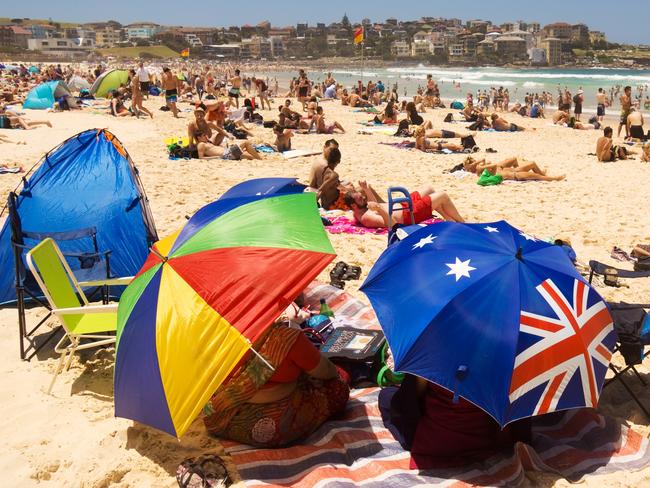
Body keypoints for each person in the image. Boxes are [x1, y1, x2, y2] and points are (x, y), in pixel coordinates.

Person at [203, 313, 349, 447]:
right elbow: (326, 371)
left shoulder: (213, 338)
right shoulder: (285, 337)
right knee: (337, 388)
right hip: (271, 429)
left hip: (221, 418)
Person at [381, 374, 530, 469]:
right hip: (484, 438)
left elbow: (413, 397)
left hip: (437, 443)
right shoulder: (508, 358)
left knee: (387, 396)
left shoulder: (435, 352)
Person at [345, 182, 464, 229]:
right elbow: (391, 224)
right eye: (360, 199)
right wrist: (379, 208)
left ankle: (449, 218)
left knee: (430, 189)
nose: (364, 198)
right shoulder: (366, 218)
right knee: (442, 196)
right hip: (409, 214)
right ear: (354, 206)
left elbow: (375, 204)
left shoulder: (359, 210)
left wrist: (366, 189)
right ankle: (462, 222)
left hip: (403, 205)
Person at [464, 156, 565, 182]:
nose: (474, 161)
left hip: (512, 171)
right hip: (513, 176)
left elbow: (485, 160)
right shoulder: (478, 169)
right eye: (471, 162)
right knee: (538, 177)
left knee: (532, 164)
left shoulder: (480, 168)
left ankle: (544, 174)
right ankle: (554, 178)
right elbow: (494, 166)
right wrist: (476, 163)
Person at [195, 130, 261, 160]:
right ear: (199, 137)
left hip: (227, 153)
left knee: (248, 156)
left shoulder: (207, 143)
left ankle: (259, 159)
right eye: (204, 135)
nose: (206, 136)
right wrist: (217, 158)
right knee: (246, 142)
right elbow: (201, 157)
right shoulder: (201, 144)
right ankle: (260, 159)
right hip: (226, 155)